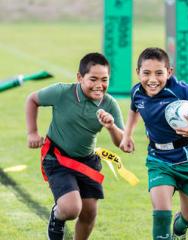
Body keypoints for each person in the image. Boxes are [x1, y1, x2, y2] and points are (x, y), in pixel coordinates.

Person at [120, 47, 188, 240]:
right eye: (146, 73)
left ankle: (180, 227)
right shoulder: (136, 91)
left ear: (169, 72)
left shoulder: (180, 90)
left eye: (159, 73)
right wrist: (127, 135)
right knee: (161, 212)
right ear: (138, 73)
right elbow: (134, 110)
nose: (152, 79)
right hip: (158, 160)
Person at [26, 52, 124, 240]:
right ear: (80, 77)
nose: (99, 85)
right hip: (58, 158)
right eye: (93, 79)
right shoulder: (62, 92)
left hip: (87, 161)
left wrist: (111, 127)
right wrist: (32, 132)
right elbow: (32, 99)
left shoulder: (110, 104)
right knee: (71, 209)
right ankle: (58, 214)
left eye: (104, 79)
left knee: (89, 213)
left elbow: (124, 144)